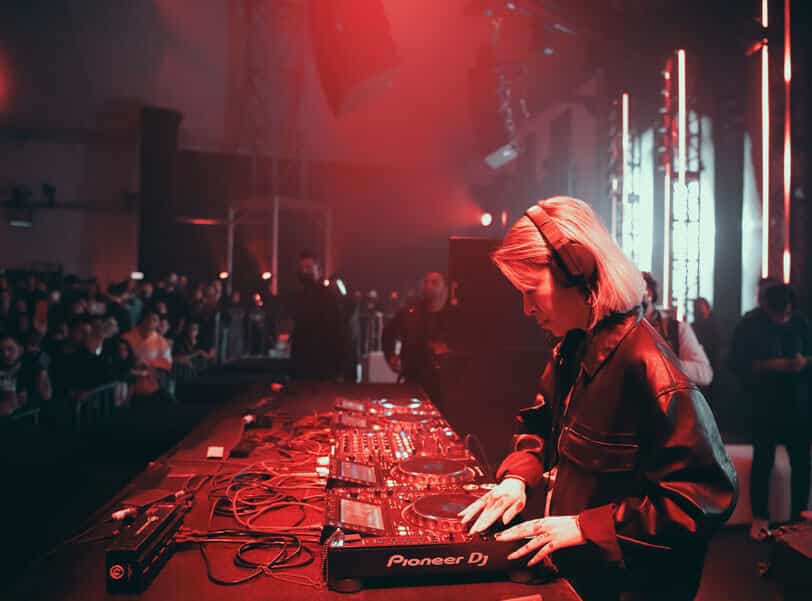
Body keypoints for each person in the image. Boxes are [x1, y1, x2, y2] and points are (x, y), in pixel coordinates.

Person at [458, 197, 737, 601]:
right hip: (584, 577)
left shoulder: (650, 367)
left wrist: (586, 527)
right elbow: (541, 423)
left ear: (578, 273)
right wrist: (519, 477)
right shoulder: (574, 345)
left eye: (531, 291)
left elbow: (701, 499)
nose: (526, 308)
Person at [728, 282, 810, 541]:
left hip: (797, 404)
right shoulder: (750, 324)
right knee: (764, 460)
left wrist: (803, 362)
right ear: (766, 306)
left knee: (801, 462)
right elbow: (735, 362)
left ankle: (799, 518)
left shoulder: (800, 322)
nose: (783, 319)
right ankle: (760, 518)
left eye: (786, 314)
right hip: (763, 404)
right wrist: (769, 365)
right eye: (778, 315)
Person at [381, 272, 457, 393]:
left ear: (446, 288)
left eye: (434, 283)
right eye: (426, 282)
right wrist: (391, 356)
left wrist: (448, 349)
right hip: (414, 378)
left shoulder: (454, 316)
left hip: (445, 382)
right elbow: (388, 333)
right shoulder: (410, 313)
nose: (428, 285)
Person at [641, 272, 713, 387]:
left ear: (649, 293)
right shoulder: (622, 329)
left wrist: (666, 363)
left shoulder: (677, 328)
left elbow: (704, 373)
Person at [289, 251, 344, 380]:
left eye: (308, 267)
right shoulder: (299, 297)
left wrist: (337, 366)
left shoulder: (328, 297)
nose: (304, 271)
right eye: (302, 268)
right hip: (302, 364)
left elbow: (337, 331)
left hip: (322, 365)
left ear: (318, 269)